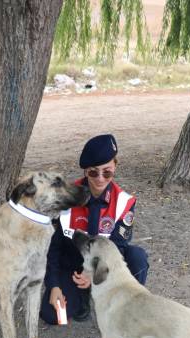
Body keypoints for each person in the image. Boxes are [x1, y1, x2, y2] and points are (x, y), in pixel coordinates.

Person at [40, 134, 149, 324]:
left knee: (137, 257)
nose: (100, 179)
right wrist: (54, 285)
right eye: (93, 172)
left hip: (102, 269)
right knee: (54, 316)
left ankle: (128, 309)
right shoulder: (65, 197)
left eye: (107, 172)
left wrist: (91, 274)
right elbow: (53, 247)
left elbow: (118, 248)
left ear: (115, 166)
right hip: (72, 265)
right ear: (85, 172)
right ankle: (82, 299)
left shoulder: (124, 201)